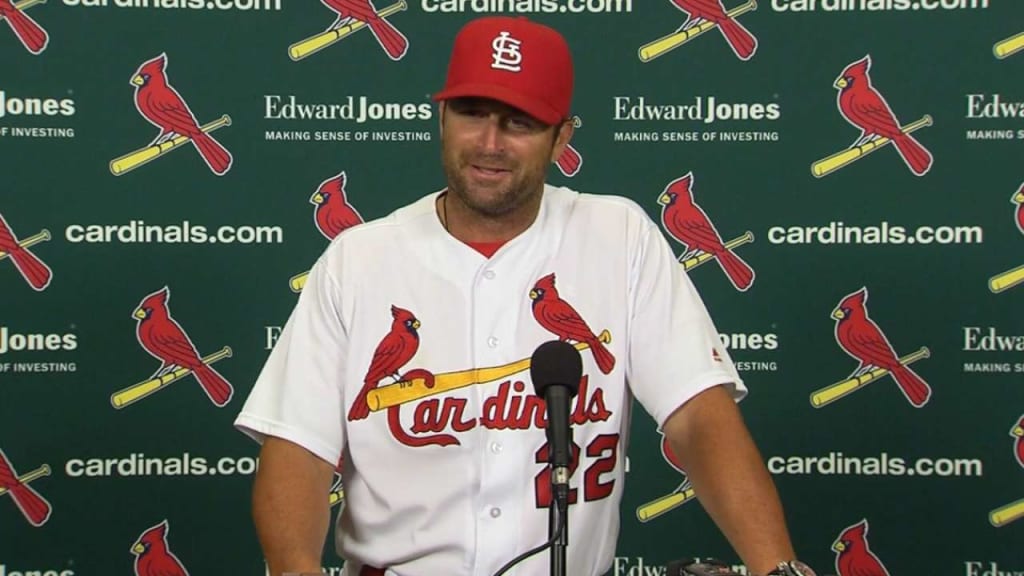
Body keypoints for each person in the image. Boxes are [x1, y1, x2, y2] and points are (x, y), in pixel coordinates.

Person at [234, 15, 812, 576]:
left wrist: (777, 568)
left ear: (562, 137)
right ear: (441, 117)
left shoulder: (619, 236)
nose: (489, 143)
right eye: (472, 113)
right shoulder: (358, 258)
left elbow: (698, 415)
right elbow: (298, 450)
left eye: (519, 123)